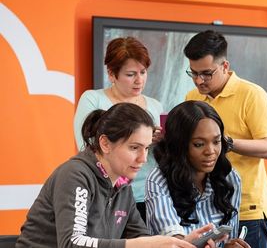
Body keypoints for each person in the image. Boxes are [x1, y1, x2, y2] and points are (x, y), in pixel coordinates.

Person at [16, 103, 216, 248]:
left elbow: (142, 239)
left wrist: (178, 244)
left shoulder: (122, 186)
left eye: (146, 148)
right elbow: (72, 243)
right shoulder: (75, 175)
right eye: (134, 148)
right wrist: (137, 245)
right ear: (105, 144)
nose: (143, 158)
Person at [184, 30, 267, 248]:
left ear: (225, 66)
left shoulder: (252, 95)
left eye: (206, 73)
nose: (199, 80)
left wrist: (226, 143)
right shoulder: (192, 97)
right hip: (205, 206)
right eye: (193, 73)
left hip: (247, 209)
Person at [73, 36, 163, 221]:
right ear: (112, 74)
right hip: (106, 194)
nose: (139, 80)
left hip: (147, 195)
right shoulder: (93, 99)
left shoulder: (155, 106)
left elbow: (163, 158)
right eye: (131, 74)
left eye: (143, 72)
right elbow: (86, 147)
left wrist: (160, 141)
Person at [145, 100, 250, 248]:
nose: (211, 151)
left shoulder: (230, 178)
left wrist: (230, 246)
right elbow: (174, 242)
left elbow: (227, 238)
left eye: (216, 141)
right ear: (179, 145)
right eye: (199, 144)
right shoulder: (158, 180)